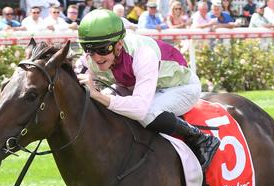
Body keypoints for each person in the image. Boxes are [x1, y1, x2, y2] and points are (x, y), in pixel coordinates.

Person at [76, 9, 220, 170]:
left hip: (181, 87)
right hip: (140, 85)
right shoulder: (91, 56)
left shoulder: (142, 53)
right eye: (90, 49)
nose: (96, 57)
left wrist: (96, 94)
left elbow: (139, 109)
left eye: (103, 49)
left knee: (147, 113)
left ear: (119, 44)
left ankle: (200, 138)